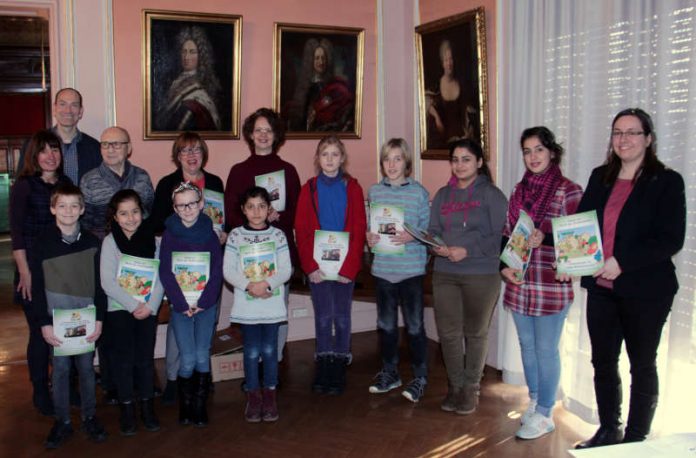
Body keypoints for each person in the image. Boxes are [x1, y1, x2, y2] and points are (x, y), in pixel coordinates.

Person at [574, 109, 685, 448]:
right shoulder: (600, 176)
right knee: (603, 361)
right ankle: (609, 428)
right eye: (618, 132)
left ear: (648, 139)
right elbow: (582, 226)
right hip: (601, 287)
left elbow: (670, 239)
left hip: (646, 290)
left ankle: (637, 439)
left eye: (633, 133)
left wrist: (621, 262)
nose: (624, 139)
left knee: (641, 363)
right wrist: (567, 256)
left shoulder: (667, 181)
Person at [500, 127, 583, 440]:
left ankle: (546, 412)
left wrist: (544, 238)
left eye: (538, 150)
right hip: (520, 282)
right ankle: (535, 400)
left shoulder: (568, 190)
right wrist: (504, 266)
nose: (532, 157)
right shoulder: (518, 192)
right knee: (527, 347)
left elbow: (580, 242)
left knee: (547, 350)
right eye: (526, 151)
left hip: (550, 286)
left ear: (552, 152)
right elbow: (508, 235)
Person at [428, 139, 507, 415]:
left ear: (479, 163)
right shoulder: (442, 195)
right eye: (455, 159)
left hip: (481, 273)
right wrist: (435, 245)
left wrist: (468, 250)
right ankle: (455, 386)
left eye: (466, 159)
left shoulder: (492, 195)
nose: (459, 165)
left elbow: (500, 236)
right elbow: (433, 229)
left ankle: (471, 387)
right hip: (445, 273)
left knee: (475, 333)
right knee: (449, 334)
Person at [30, 183, 108, 448]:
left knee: (86, 369)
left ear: (83, 209)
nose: (68, 211)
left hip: (86, 319)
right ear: (53, 209)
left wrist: (99, 319)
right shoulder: (41, 244)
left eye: (74, 205)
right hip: (56, 322)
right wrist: (43, 324)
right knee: (61, 371)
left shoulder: (92, 242)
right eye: (61, 205)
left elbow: (100, 285)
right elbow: (37, 288)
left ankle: (89, 416)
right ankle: (62, 420)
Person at [151, 131, 225, 405]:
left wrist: (223, 233)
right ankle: (174, 379)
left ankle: (200, 378)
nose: (192, 156)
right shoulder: (167, 184)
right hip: (180, 267)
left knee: (207, 320)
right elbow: (158, 221)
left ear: (203, 153)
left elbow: (222, 219)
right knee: (178, 327)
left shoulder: (215, 182)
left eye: (196, 150)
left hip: (208, 260)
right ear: (177, 156)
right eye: (185, 151)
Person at [225, 108, 301, 364]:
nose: (263, 135)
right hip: (247, 258)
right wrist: (254, 220)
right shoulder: (238, 171)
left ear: (276, 134)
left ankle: (274, 363)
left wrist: (279, 218)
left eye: (268, 130)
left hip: (278, 255)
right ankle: (252, 363)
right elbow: (231, 214)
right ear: (250, 134)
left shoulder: (288, 171)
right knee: (250, 312)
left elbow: (297, 213)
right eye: (258, 130)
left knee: (277, 311)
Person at [294, 135, 366, 395]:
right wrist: (310, 267)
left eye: (335, 154)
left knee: (342, 316)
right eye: (325, 154)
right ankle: (324, 359)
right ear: (317, 158)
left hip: (344, 266)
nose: (330, 159)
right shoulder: (309, 188)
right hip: (319, 266)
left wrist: (350, 268)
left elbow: (359, 229)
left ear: (343, 158)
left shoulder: (353, 188)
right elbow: (301, 230)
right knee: (323, 316)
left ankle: (339, 360)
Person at [10, 130, 72, 416]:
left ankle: (64, 385)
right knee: (39, 333)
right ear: (34, 155)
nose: (51, 155)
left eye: (55, 149)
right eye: (44, 150)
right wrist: (25, 273)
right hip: (32, 269)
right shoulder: (24, 186)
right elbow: (18, 234)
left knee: (63, 329)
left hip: (62, 270)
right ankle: (39, 389)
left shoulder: (67, 184)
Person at [365, 138, 430, 402]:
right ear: (381, 163)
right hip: (383, 270)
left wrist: (412, 237)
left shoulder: (419, 193)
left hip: (412, 270)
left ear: (407, 162)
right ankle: (390, 372)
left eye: (397, 159)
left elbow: (430, 232)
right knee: (386, 326)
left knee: (414, 327)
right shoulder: (375, 192)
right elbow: (373, 228)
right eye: (387, 159)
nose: (392, 164)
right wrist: (369, 239)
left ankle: (420, 377)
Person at [224, 186, 292, 422]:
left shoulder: (278, 235)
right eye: (251, 206)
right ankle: (254, 397)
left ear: (269, 209)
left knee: (271, 351)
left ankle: (270, 396)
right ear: (243, 209)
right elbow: (228, 271)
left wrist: (267, 284)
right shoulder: (235, 236)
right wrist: (249, 286)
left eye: (262, 206)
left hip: (271, 306)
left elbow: (286, 269)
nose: (256, 211)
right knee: (252, 352)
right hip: (247, 307)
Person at [100, 190, 165, 436]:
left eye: (135, 212)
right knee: (123, 362)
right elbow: (107, 282)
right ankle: (127, 409)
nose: (130, 218)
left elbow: (161, 277)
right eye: (123, 213)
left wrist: (149, 306)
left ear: (142, 212)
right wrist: (132, 305)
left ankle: (148, 408)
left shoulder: (154, 240)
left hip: (148, 310)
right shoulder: (109, 242)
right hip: (119, 310)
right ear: (115, 217)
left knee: (145, 360)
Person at [159, 182, 222, 427]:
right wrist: (181, 302)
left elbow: (216, 272)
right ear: (175, 208)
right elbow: (166, 271)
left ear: (202, 204)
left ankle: (199, 406)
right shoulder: (169, 234)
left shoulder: (209, 234)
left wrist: (204, 302)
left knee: (201, 356)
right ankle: (185, 406)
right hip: (181, 306)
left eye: (192, 204)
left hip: (205, 305)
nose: (187, 209)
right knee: (186, 358)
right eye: (181, 205)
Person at [80, 126, 154, 240]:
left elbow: (148, 214)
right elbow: (85, 224)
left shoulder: (142, 177)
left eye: (116, 144)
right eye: (105, 144)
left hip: (138, 243)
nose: (110, 150)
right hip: (102, 244)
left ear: (128, 148)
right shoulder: (89, 180)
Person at [17, 88, 102, 185]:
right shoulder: (33, 144)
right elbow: (21, 184)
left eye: (74, 105)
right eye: (62, 104)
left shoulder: (95, 147)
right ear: (54, 109)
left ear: (80, 111)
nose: (68, 110)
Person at [155, 26, 222, 131]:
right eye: (184, 51)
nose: (186, 57)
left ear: (201, 56)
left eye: (192, 52)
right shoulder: (177, 81)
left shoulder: (198, 95)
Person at [287, 38, 354, 132]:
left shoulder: (335, 86)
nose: (321, 62)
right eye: (317, 58)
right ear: (311, 60)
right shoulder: (305, 87)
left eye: (323, 58)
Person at [426, 40, 478, 149]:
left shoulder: (462, 86)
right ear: (442, 63)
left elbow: (469, 112)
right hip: (443, 144)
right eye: (446, 60)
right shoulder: (435, 87)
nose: (449, 63)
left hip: (462, 142)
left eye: (451, 59)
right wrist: (437, 118)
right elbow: (426, 102)